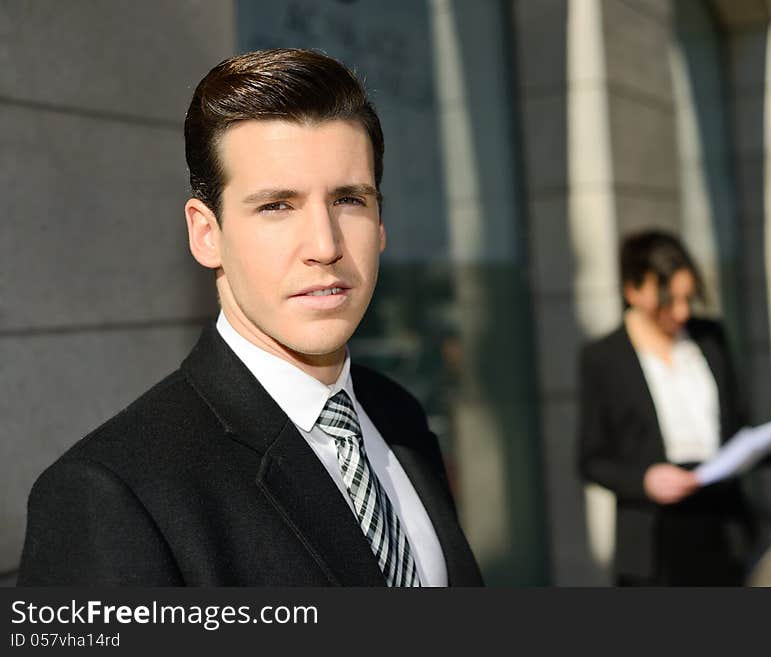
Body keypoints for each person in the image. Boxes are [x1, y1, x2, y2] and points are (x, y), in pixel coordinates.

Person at [17, 49, 483, 587]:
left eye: (349, 200)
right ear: (206, 234)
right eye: (276, 206)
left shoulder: (397, 415)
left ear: (381, 223)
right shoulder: (110, 495)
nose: (325, 245)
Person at [577, 230, 771, 586]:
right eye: (669, 301)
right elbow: (590, 459)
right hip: (653, 537)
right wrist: (644, 480)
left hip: (721, 524)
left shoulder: (710, 337)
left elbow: (737, 435)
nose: (682, 312)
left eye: (689, 298)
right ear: (633, 291)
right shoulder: (604, 358)